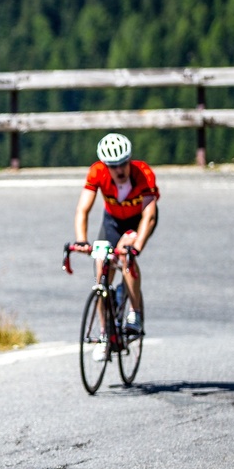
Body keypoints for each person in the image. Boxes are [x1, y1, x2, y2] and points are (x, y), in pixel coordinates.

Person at [73, 133, 159, 359]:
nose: (119, 170)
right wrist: (82, 240)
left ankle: (135, 312)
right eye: (113, 166)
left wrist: (138, 245)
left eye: (122, 164)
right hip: (112, 221)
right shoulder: (97, 172)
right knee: (101, 269)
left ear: (129, 161)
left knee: (125, 255)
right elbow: (83, 209)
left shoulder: (143, 173)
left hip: (137, 221)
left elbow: (149, 215)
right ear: (105, 165)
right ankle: (105, 334)